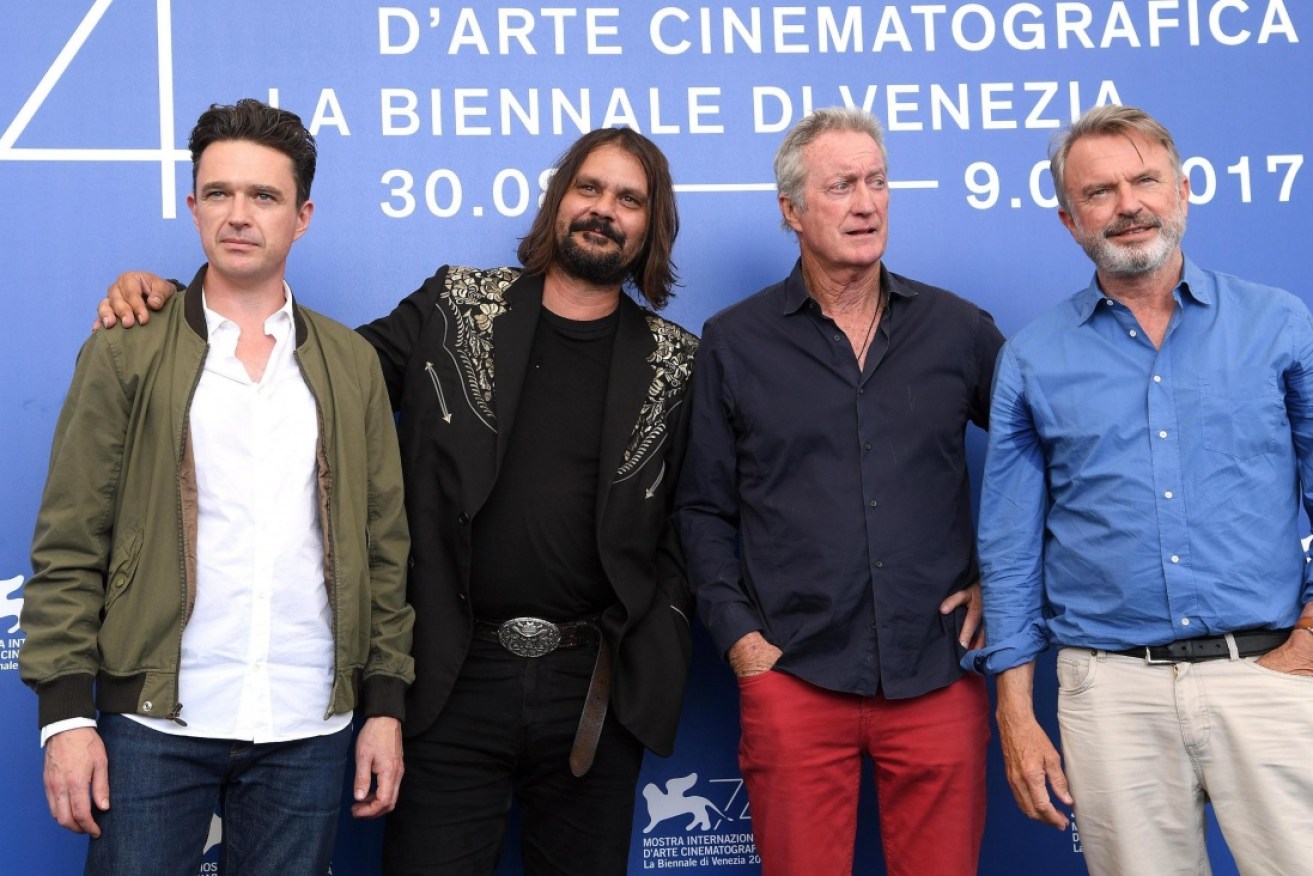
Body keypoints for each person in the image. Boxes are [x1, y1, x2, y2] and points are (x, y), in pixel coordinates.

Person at [98, 126, 698, 875]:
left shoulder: (678, 362)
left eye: (628, 199)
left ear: (652, 223)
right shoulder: (456, 306)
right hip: (451, 674)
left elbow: (695, 519)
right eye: (588, 188)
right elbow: (308, 374)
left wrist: (661, 639)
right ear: (557, 201)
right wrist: (181, 309)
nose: (603, 209)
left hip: (596, 693)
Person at [22, 99, 414, 876]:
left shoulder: (349, 363)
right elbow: (70, 539)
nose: (239, 215)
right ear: (192, 203)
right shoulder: (127, 348)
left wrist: (384, 708)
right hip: (153, 721)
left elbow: (383, 552)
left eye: (263, 197)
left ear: (301, 216)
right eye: (219, 193)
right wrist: (65, 716)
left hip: (310, 723)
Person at [970, 104, 1313, 874]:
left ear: (1183, 190)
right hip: (1109, 692)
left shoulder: (1277, 324)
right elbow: (1010, 549)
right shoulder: (1030, 360)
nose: (1127, 204)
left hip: (1264, 674)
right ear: (1067, 219)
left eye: (1144, 180)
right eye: (1098, 192)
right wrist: (1016, 712)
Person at [674, 107, 1001, 876]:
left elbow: (1040, 460)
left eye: (877, 182)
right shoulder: (735, 340)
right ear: (790, 210)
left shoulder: (957, 330)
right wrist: (741, 640)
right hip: (794, 677)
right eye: (841, 185)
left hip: (935, 675)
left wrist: (1002, 580)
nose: (866, 203)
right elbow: (700, 507)